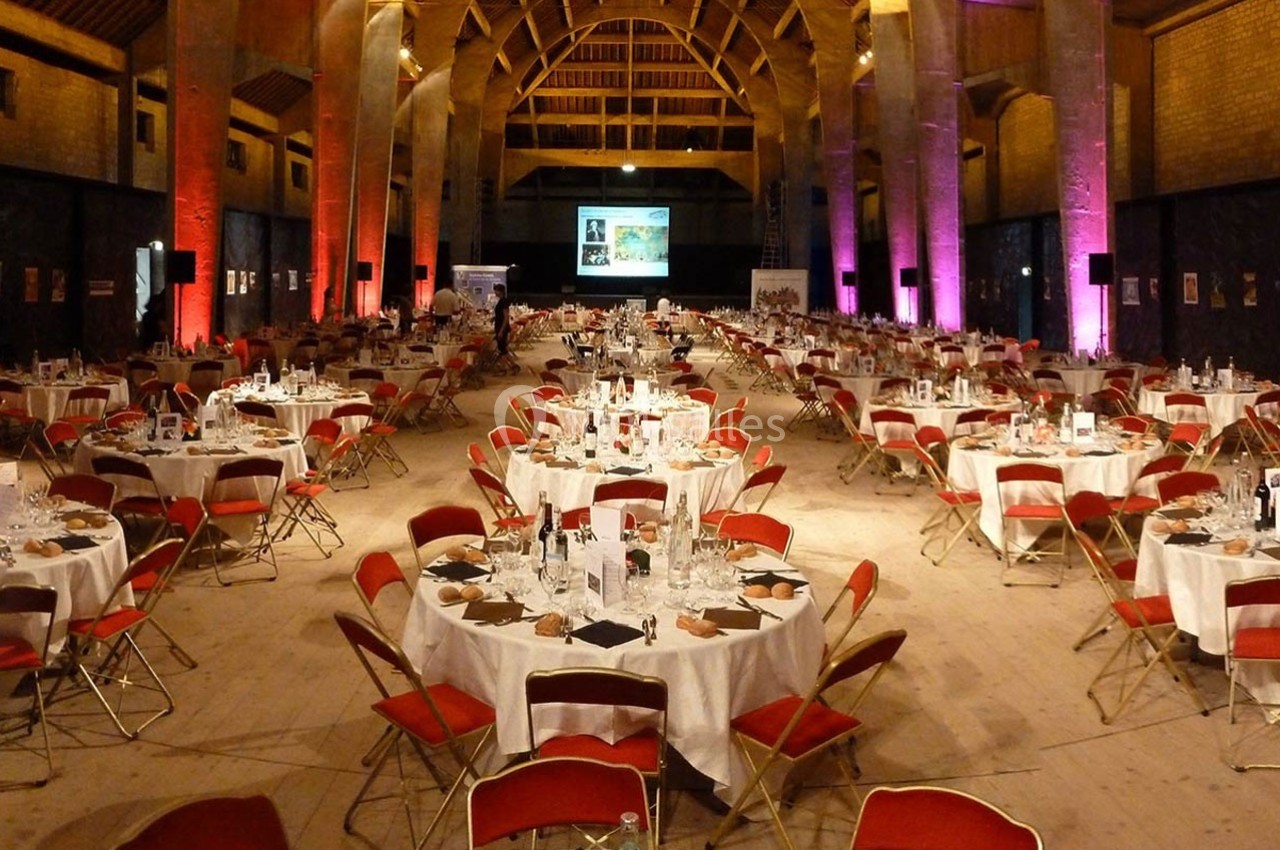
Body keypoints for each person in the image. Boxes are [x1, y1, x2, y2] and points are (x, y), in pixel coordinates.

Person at [491, 283, 518, 375]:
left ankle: (507, 368)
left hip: (502, 328)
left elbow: (506, 317)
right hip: (500, 326)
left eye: (496, 290)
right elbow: (501, 315)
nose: (495, 292)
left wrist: (501, 331)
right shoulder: (501, 301)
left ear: (500, 291)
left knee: (502, 349)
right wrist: (494, 318)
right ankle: (510, 366)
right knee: (502, 349)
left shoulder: (503, 302)